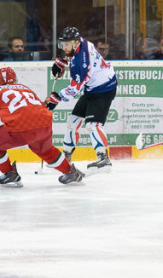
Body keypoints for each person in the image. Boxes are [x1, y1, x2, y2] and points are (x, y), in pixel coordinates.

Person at [0, 67, 85, 186]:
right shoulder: (26, 89)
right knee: (46, 150)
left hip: (19, 127)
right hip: (44, 124)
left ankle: (9, 173)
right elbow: (36, 108)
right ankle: (70, 172)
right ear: (15, 79)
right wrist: (47, 103)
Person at [45, 26, 117, 172]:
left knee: (92, 125)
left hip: (104, 88)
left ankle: (103, 158)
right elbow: (72, 55)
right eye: (63, 44)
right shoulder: (81, 43)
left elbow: (75, 88)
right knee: (73, 121)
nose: (64, 47)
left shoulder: (81, 62)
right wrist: (62, 61)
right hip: (92, 88)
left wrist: (56, 98)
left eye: (67, 45)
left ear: (75, 43)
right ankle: (66, 157)